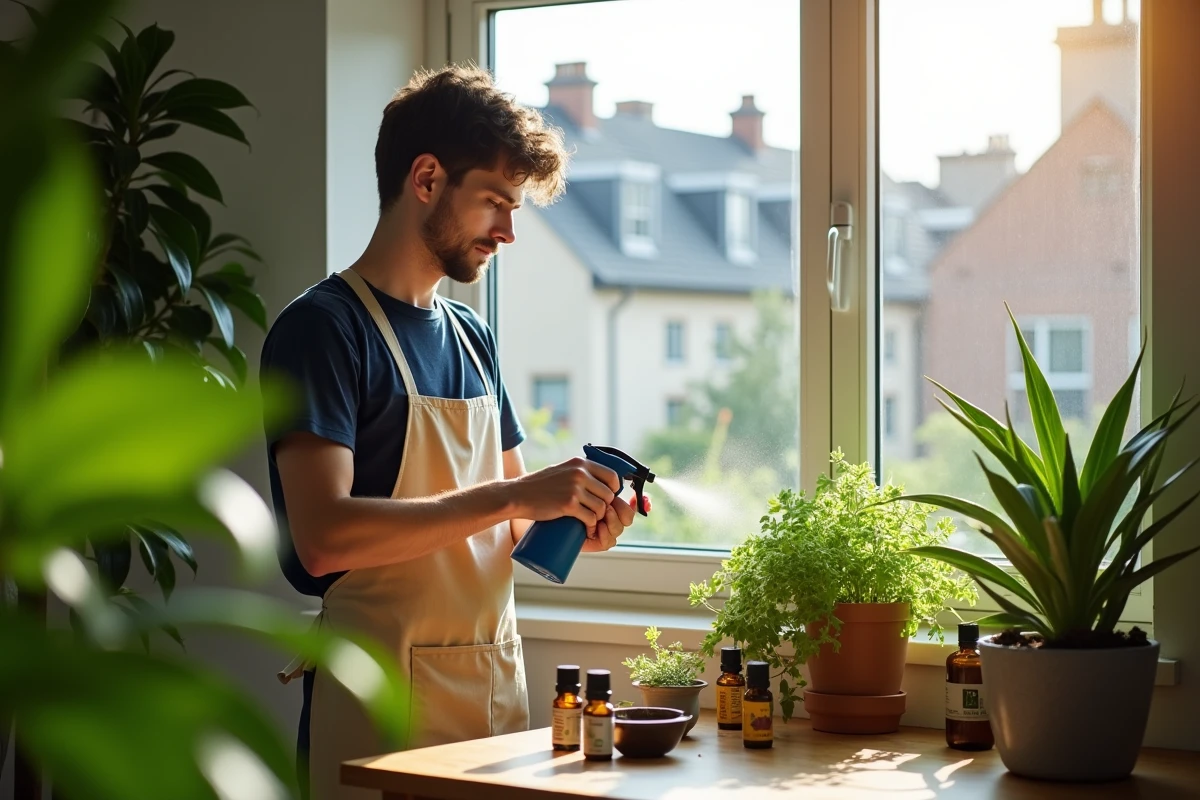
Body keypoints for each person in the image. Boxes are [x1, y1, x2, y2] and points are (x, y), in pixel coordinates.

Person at [260, 64, 644, 800]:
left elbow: (508, 527)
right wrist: (512, 498)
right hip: (377, 711)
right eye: (496, 202)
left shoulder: (472, 337)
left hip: (490, 707)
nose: (506, 231)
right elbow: (322, 537)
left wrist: (574, 522)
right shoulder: (323, 330)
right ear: (428, 179)